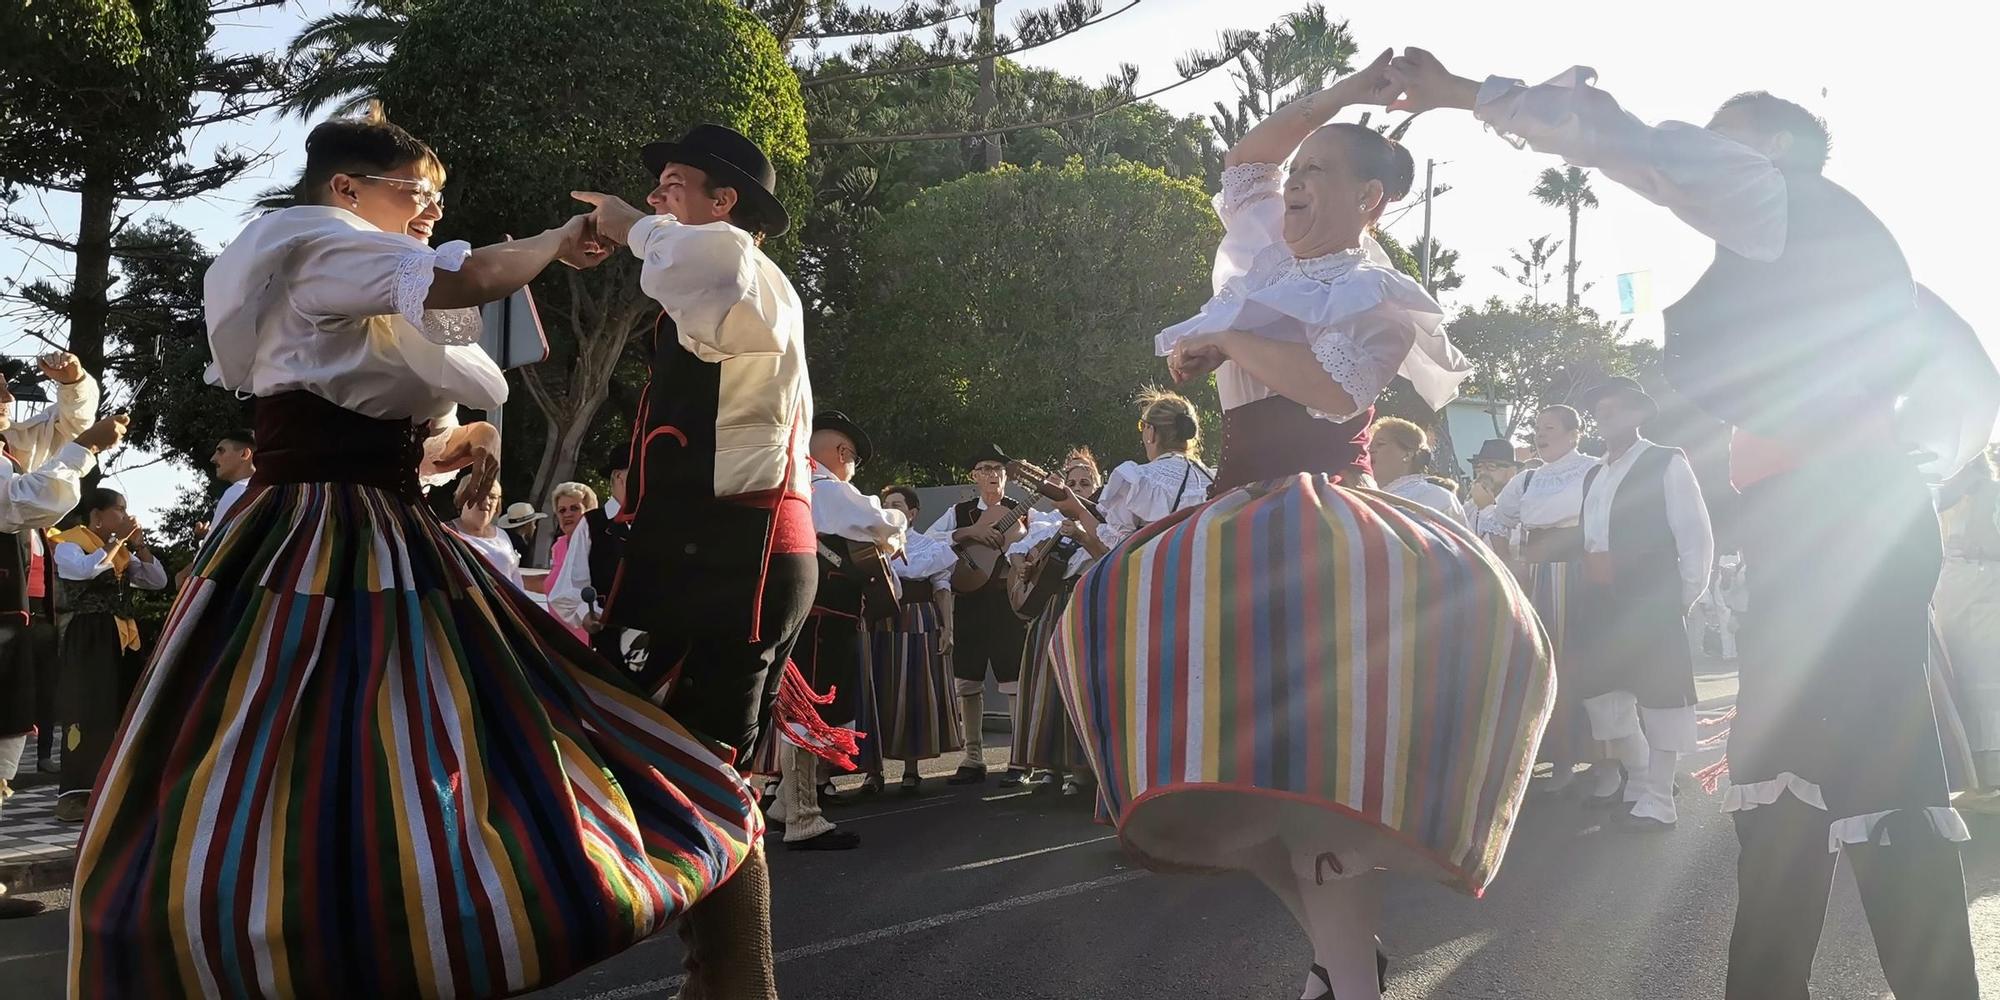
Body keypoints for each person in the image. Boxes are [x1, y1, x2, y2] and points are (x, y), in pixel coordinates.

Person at [67, 107, 774, 1000]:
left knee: (415, 738)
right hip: (316, 536)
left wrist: (454, 446)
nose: (433, 209)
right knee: (339, 734)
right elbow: (470, 277)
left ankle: (407, 922)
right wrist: (560, 238)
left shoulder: (363, 274)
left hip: (384, 527)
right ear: (347, 189)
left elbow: (383, 424)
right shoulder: (315, 239)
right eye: (418, 193)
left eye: (437, 196)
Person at [1384, 48, 1981, 998]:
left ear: (1778, 150)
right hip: (1822, 529)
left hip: (1848, 527)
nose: (1710, 152)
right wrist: (1912, 468)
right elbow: (1959, 376)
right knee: (1787, 774)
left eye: (1727, 138)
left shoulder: (1792, 205)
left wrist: (1465, 94)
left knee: (1877, 766)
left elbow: (1638, 147)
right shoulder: (1815, 246)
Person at [1051, 52, 1550, 1000]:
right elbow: (1246, 160)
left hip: (1327, 529)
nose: (1295, 182)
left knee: (1323, 771)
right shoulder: (1263, 255)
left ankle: (1349, 981)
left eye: (1320, 172)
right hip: (1236, 518)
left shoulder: (1377, 295)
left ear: (1372, 200)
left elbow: (1329, 397)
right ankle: (1345, 964)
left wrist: (1227, 337)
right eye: (1300, 169)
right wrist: (1347, 92)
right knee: (1239, 783)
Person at [571, 122, 813, 994]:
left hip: (732, 554)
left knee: (703, 772)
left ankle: (738, 983)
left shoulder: (742, 267)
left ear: (726, 203)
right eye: (658, 186)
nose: (660, 198)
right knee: (679, 761)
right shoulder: (723, 279)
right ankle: (719, 980)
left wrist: (631, 223)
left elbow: (697, 264)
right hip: (708, 550)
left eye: (676, 184)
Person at [0, 356, 124, 919]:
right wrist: (87, 451)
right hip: (19, 611)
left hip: (18, 610)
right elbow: (23, 501)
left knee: (10, 725)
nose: (6, 396)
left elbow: (65, 427)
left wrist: (74, 384)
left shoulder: (10, 444)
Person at [1572, 378, 1714, 830]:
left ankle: (1659, 797)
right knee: (1604, 694)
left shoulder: (1665, 462)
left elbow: (1694, 535)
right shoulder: (1594, 472)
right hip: (1599, 596)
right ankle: (1637, 776)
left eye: (1615, 410)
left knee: (1660, 697)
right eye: (1601, 411)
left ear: (1638, 415)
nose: (1605, 418)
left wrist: (1683, 597)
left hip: (1650, 597)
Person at [767, 411, 904, 849]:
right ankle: (804, 818)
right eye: (853, 460)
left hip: (806, 613)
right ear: (842, 453)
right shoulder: (826, 488)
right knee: (809, 714)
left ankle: (785, 804)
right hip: (823, 618)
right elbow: (884, 522)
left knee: (800, 709)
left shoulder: (788, 482)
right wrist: (896, 533)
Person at [1482, 404, 1599, 793]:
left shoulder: (1593, 469)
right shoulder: (1529, 478)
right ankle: (1551, 754)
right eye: (1537, 427)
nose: (1539, 434)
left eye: (1549, 427)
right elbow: (1498, 519)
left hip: (1579, 574)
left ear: (1573, 433)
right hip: (1535, 577)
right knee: (1537, 662)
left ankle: (1596, 757)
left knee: (1577, 661)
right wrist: (1507, 564)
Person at [49, 488, 170, 824]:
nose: (125, 515)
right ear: (97, 515)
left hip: (122, 635)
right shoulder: (69, 543)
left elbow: (156, 581)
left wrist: (140, 545)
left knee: (126, 707)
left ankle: (123, 790)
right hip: (90, 636)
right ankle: (76, 795)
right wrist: (117, 540)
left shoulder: (121, 551)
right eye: (119, 510)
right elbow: (85, 570)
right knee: (88, 711)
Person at [925, 447, 1032, 786]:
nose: (991, 474)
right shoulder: (958, 512)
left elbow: (1030, 545)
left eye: (998, 468)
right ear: (974, 476)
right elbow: (926, 542)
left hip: (1004, 601)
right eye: (984, 468)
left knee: (1013, 678)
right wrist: (966, 534)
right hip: (969, 599)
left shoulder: (1019, 512)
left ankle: (1019, 760)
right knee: (967, 680)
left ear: (1006, 475)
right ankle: (973, 758)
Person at [1010, 447, 1105, 797]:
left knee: (1079, 685)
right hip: (1052, 606)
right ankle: (1049, 765)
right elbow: (1020, 551)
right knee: (1046, 685)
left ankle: (1082, 770)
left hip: (1088, 603)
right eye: (1072, 482)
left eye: (1085, 481)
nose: (1079, 487)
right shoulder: (1047, 521)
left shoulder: (1105, 518)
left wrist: (1083, 536)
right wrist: (1024, 563)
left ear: (1096, 485)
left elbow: (1109, 554)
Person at [867, 485, 962, 793]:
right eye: (886, 504)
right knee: (879, 691)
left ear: (912, 513)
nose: (889, 509)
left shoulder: (929, 546)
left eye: (896, 504)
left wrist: (948, 629)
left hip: (919, 619)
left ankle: (911, 769)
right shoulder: (873, 545)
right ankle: (873, 771)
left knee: (915, 689)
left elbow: (942, 588)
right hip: (881, 622)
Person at [1934, 451, 2000, 813]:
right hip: (1953, 591)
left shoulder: (1993, 493)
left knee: (1985, 676)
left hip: (1985, 589)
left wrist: (1980, 544)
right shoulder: (1941, 498)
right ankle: (1968, 767)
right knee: (1957, 673)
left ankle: (1990, 769)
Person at [548, 450, 642, 669]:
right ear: (620, 477)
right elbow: (566, 590)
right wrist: (586, 614)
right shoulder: (593, 524)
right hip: (610, 646)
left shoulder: (655, 523)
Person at [1368, 416, 1468, 524]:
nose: (1370, 450)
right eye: (1368, 446)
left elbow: (1465, 540)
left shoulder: (1437, 497)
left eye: (1380, 444)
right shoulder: (1364, 497)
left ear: (1407, 454)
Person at [447, 478, 525, 591]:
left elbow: (515, 580)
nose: (486, 502)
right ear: (462, 498)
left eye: (493, 497)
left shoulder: (502, 535)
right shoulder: (446, 534)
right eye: (479, 494)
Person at [546, 480, 597, 640]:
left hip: (588, 640)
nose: (567, 514)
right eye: (562, 510)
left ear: (588, 512)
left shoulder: (597, 546)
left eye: (574, 508)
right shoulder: (558, 546)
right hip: (558, 641)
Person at [1465, 438, 1520, 516]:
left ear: (1511, 471)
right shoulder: (1471, 506)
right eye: (1479, 466)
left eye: (1491, 466)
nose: (1482, 471)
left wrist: (1487, 508)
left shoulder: (1518, 505)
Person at [494, 500, 545, 565]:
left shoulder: (503, 538)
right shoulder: (521, 547)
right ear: (527, 525)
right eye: (533, 523)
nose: (535, 527)